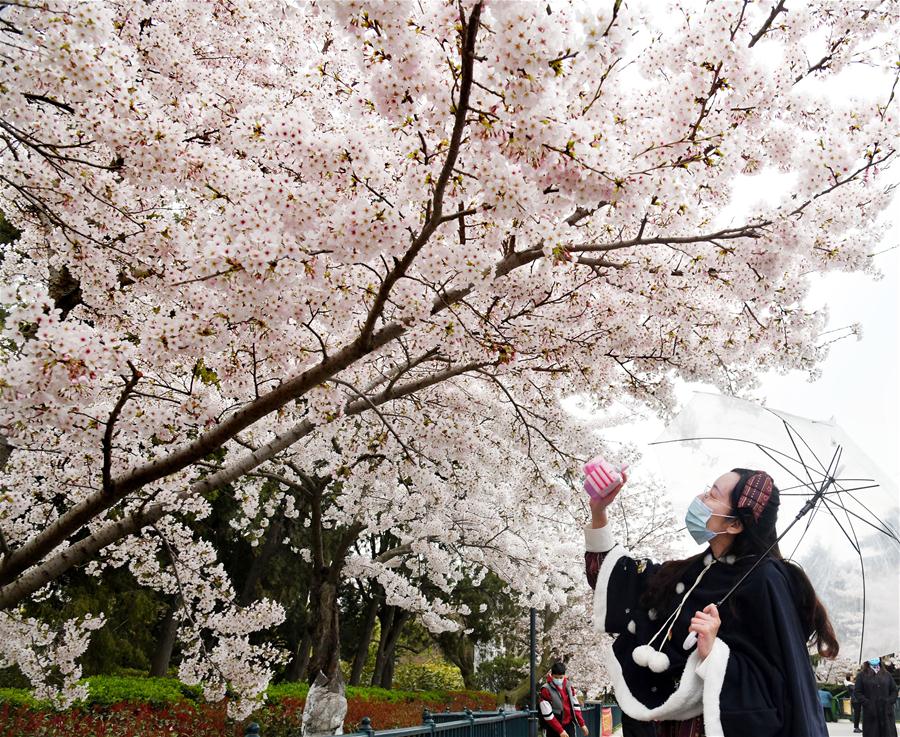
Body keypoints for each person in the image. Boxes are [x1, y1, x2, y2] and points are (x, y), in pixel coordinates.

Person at [583, 464, 838, 737]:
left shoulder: (766, 580)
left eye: (713, 495)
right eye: (708, 489)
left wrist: (714, 654)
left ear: (735, 523)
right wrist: (599, 510)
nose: (702, 498)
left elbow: (776, 687)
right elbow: (626, 585)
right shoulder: (694, 571)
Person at [538, 661, 589, 737]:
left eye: (561, 677)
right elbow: (547, 715)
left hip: (569, 725)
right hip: (553, 727)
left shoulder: (569, 686)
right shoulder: (545, 689)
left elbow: (575, 707)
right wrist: (560, 730)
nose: (558, 680)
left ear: (564, 676)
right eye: (556, 677)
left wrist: (582, 724)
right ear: (551, 675)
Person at [855, 657, 899, 737]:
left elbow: (894, 690)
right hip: (871, 713)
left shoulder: (887, 675)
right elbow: (858, 692)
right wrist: (868, 703)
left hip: (886, 712)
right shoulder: (861, 675)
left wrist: (889, 701)